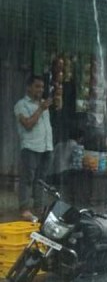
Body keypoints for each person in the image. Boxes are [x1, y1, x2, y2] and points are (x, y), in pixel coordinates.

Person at [15, 75, 54, 221]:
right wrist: (41, 109)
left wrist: (43, 106)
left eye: (42, 87)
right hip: (31, 147)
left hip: (46, 147)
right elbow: (28, 124)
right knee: (27, 179)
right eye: (37, 86)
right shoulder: (21, 105)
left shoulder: (44, 103)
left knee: (41, 180)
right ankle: (24, 209)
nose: (40, 90)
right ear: (29, 87)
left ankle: (39, 208)